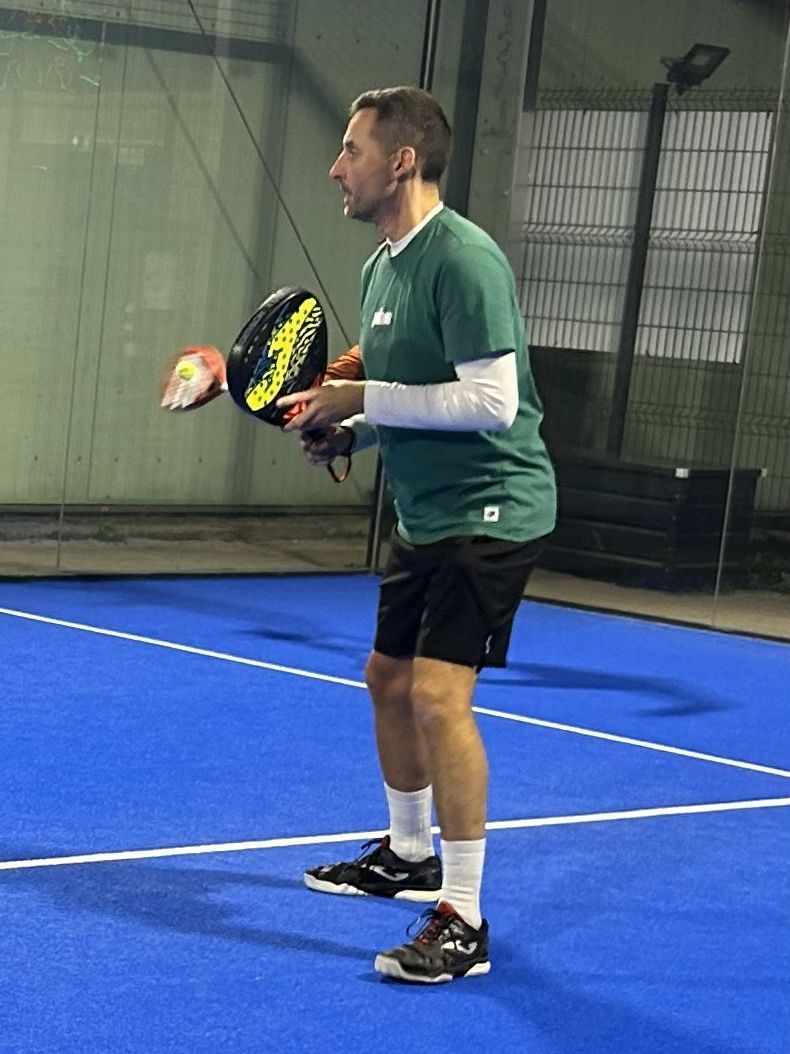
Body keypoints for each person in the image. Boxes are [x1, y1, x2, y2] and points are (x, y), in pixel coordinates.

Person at [277, 86, 556, 984]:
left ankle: (463, 918)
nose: (336, 167)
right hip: (428, 512)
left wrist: (359, 399)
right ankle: (409, 856)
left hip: (493, 508)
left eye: (351, 150)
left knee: (438, 697)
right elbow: (403, 384)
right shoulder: (380, 267)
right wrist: (347, 431)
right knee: (386, 678)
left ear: (401, 161)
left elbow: (491, 402)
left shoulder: (463, 259)